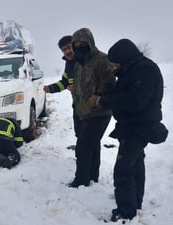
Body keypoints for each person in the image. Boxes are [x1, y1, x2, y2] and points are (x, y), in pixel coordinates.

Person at [91, 39, 168, 221]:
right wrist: (106, 94)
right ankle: (135, 202)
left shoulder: (144, 70)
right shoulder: (132, 70)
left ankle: (125, 212)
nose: (114, 66)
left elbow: (134, 101)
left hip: (138, 128)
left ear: (124, 58)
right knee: (136, 165)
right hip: (132, 126)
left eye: (116, 62)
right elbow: (124, 94)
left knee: (123, 170)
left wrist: (103, 101)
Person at [68, 28, 116, 188]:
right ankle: (92, 177)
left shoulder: (102, 60)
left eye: (82, 43)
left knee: (83, 147)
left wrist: (97, 97)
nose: (79, 46)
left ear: (90, 42)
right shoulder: (78, 63)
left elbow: (110, 85)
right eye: (76, 44)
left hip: (99, 111)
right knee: (92, 145)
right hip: (82, 111)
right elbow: (77, 86)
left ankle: (81, 180)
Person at [43, 35, 80, 138]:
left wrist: (76, 87)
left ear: (75, 46)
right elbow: (65, 82)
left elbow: (92, 81)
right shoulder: (69, 64)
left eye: (69, 47)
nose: (67, 51)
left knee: (86, 143)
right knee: (83, 138)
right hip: (78, 107)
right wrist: (50, 88)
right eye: (64, 50)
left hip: (91, 109)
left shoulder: (84, 61)